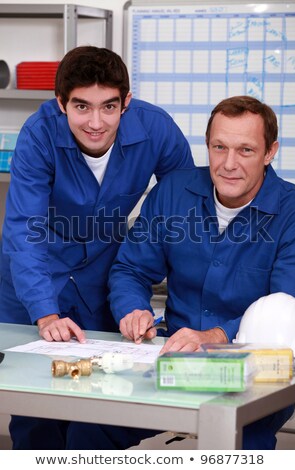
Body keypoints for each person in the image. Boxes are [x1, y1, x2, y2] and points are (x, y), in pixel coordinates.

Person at [0, 46, 194, 449]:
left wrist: (154, 287)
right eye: (81, 107)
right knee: (37, 409)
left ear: (126, 101)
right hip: (36, 276)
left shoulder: (156, 130)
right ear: (61, 104)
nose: (95, 122)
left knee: (100, 400)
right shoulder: (39, 135)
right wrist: (45, 311)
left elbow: (185, 207)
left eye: (109, 106)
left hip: (102, 276)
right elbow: (25, 229)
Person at [108, 95, 295, 449]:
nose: (228, 164)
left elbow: (284, 309)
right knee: (89, 431)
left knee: (238, 442)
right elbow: (130, 269)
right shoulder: (171, 192)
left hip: (258, 371)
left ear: (270, 152)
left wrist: (217, 335)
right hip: (174, 360)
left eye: (245, 150)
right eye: (219, 147)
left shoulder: (293, 213)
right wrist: (132, 309)